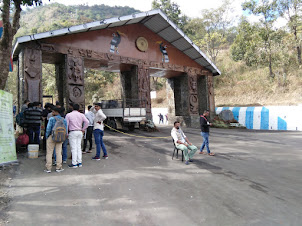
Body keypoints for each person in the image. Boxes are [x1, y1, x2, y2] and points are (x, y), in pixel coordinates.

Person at [44, 107, 67, 173]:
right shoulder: (63, 120)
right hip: (60, 137)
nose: (52, 113)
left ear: (56, 112)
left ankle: (48, 168)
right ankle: (58, 167)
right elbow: (66, 129)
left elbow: (48, 128)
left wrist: (47, 136)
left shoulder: (51, 119)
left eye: (53, 112)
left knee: (49, 152)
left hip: (52, 136)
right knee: (59, 152)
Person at [65, 103, 89, 168]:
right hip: (79, 131)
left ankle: (74, 163)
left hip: (72, 132)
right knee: (78, 147)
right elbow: (87, 122)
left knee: (73, 148)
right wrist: (83, 129)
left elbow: (66, 125)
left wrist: (66, 133)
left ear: (72, 108)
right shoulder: (81, 115)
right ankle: (79, 162)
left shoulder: (68, 115)